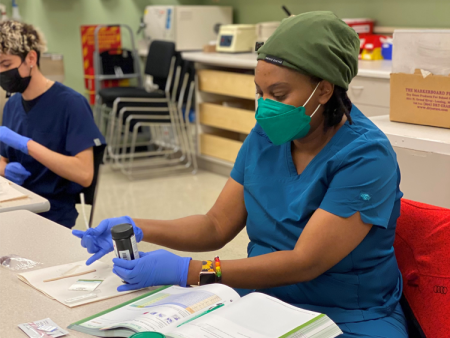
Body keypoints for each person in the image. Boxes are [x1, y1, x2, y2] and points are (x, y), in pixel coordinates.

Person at [73, 12, 407, 337]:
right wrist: (141, 227)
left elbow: (305, 262)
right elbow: (216, 225)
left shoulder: (365, 156)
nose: (263, 107)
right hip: (260, 300)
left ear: (323, 90)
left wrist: (189, 271)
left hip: (346, 316)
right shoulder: (265, 137)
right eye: (259, 92)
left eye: (278, 95)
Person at [0, 21, 105, 228]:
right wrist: (5, 170)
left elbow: (84, 175)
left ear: (31, 58)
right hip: (18, 205)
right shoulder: (11, 105)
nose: (1, 73)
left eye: (5, 65)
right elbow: (1, 159)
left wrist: (28, 145)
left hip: (52, 213)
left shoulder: (71, 104)